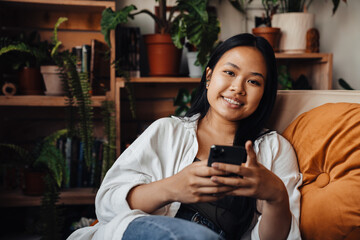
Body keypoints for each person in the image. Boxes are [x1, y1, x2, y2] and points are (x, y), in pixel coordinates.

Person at [68, 33, 302, 240]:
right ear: (209, 76)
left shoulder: (275, 149)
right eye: (229, 72)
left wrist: (276, 195)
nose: (238, 88)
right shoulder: (166, 131)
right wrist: (172, 188)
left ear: (264, 93)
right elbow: (107, 203)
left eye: (253, 81)